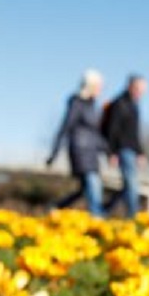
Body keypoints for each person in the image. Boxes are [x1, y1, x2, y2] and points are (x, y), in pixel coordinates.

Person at [47, 69, 108, 217]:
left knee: (85, 189)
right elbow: (65, 127)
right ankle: (98, 220)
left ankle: (56, 208)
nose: (101, 89)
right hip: (80, 151)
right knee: (93, 187)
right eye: (99, 85)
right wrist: (54, 152)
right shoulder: (77, 103)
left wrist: (109, 150)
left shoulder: (93, 106)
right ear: (91, 85)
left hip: (91, 153)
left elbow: (95, 135)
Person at [103, 74, 148, 217]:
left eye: (143, 90)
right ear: (130, 87)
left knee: (128, 186)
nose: (141, 93)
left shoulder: (135, 106)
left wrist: (140, 152)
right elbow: (112, 130)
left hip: (132, 151)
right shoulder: (119, 104)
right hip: (122, 150)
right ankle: (133, 216)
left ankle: (104, 210)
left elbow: (135, 133)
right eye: (139, 89)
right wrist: (111, 152)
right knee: (131, 184)